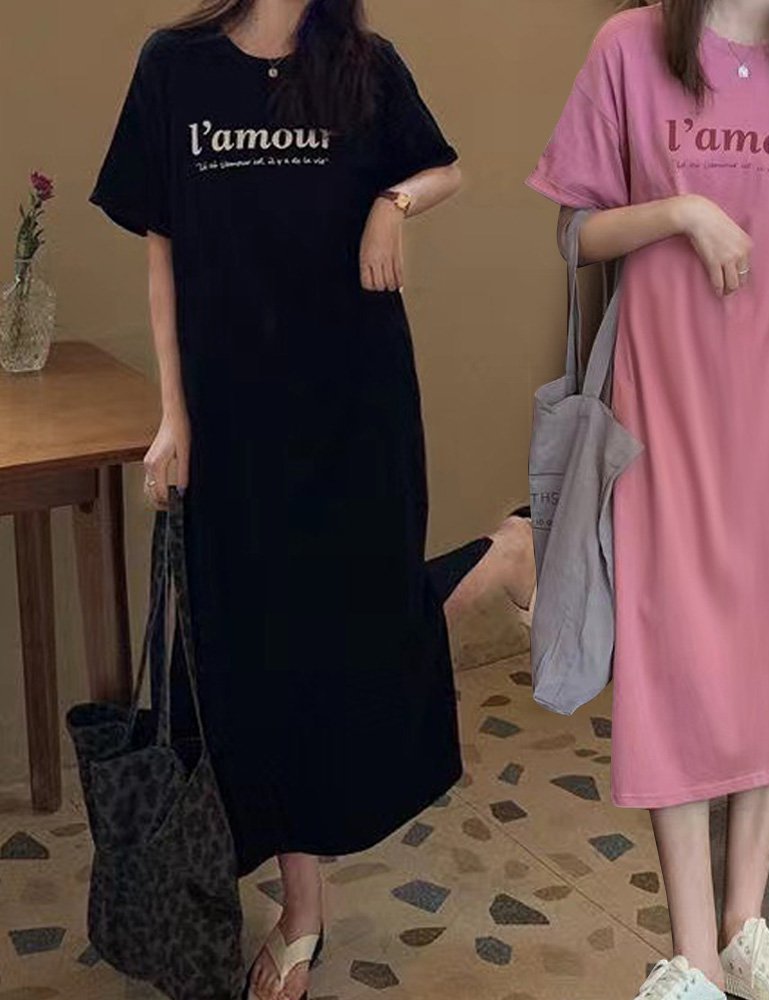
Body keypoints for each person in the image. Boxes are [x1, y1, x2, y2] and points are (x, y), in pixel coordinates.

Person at [90, 1, 466, 998]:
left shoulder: (363, 63)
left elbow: (444, 167)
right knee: (256, 654)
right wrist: (173, 415)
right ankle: (301, 899)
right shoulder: (175, 67)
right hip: (235, 423)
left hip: (354, 410)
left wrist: (395, 203)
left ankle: (303, 911)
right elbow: (162, 247)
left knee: (359, 632)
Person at [528, 1, 769, 998]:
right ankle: (690, 955)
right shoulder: (629, 46)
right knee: (675, 662)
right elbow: (576, 233)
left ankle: (745, 928)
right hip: (666, 414)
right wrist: (680, 211)